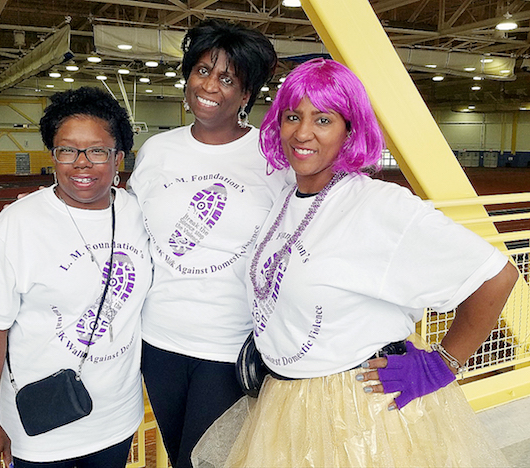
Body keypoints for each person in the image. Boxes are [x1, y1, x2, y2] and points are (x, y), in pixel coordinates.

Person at [191, 58, 518, 467]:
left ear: (350, 130)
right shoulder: (286, 196)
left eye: (323, 119)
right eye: (293, 116)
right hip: (285, 405)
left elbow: (496, 276)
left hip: (358, 416)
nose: (303, 132)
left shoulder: (379, 206)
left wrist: (441, 365)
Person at [0, 87, 151, 468]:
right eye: (67, 150)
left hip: (115, 419)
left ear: (119, 158)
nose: (81, 163)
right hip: (40, 429)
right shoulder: (21, 222)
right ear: (53, 156)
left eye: (97, 151)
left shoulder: (137, 212)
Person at [129, 19, 290, 468]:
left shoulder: (273, 157)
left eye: (227, 78)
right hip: (158, 340)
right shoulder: (157, 151)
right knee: (180, 450)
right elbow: (128, 224)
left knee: (205, 460)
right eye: (202, 70)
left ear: (246, 94)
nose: (210, 86)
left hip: (230, 344)